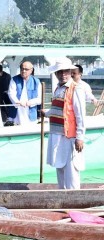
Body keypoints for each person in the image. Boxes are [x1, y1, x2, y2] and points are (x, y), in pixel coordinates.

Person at [41, 58, 86, 189]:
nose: (63, 74)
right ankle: (63, 199)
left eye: (65, 71)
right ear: (56, 74)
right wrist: (47, 113)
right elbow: (58, 109)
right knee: (59, 166)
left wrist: (80, 137)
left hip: (69, 136)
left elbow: (80, 115)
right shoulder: (58, 89)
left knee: (71, 169)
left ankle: (73, 201)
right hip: (57, 134)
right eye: (60, 72)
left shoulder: (75, 89)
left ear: (70, 72)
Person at [8, 61, 42, 125]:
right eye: (22, 69)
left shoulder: (36, 81)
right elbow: (11, 93)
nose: (23, 71)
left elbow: (40, 98)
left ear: (31, 70)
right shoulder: (14, 79)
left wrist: (30, 102)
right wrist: (18, 102)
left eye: (26, 69)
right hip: (17, 110)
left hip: (31, 111)